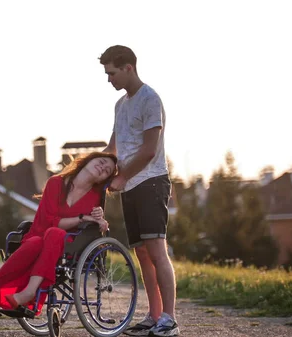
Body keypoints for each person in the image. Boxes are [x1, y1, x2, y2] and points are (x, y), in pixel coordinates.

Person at [0, 152, 118, 313]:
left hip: (70, 246)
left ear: (103, 180)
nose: (102, 168)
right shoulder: (55, 183)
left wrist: (101, 221)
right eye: (101, 162)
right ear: (87, 160)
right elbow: (50, 221)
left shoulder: (95, 197)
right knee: (38, 240)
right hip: (39, 236)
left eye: (107, 171)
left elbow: (97, 225)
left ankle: (24, 292)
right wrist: (81, 217)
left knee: (55, 234)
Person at [99, 45, 180, 337]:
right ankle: (154, 314)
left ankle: (169, 319)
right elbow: (113, 147)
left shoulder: (150, 99)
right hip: (130, 186)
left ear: (128, 67)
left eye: (111, 73)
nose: (109, 79)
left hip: (152, 182)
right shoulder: (120, 106)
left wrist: (122, 178)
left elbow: (149, 150)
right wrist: (97, 171)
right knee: (142, 254)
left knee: (157, 251)